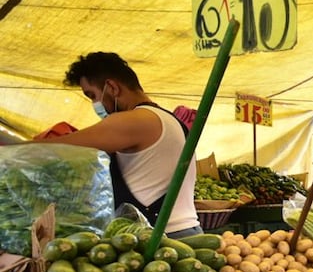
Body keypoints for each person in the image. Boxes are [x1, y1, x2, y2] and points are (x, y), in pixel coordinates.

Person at [38, 52, 201, 238]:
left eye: (92, 95)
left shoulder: (136, 121)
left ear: (112, 87)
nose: (94, 104)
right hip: (181, 232)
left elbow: (57, 149)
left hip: (165, 238)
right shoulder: (165, 119)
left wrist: (13, 149)